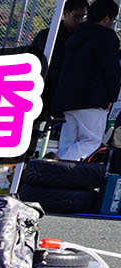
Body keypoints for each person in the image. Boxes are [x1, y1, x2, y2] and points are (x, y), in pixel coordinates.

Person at [49, 0, 120, 159]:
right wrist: (112, 95)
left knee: (68, 142)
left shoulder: (76, 35)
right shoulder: (106, 37)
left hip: (67, 98)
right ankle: (59, 164)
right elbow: (111, 69)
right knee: (92, 140)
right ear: (107, 18)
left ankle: (55, 167)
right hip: (92, 98)